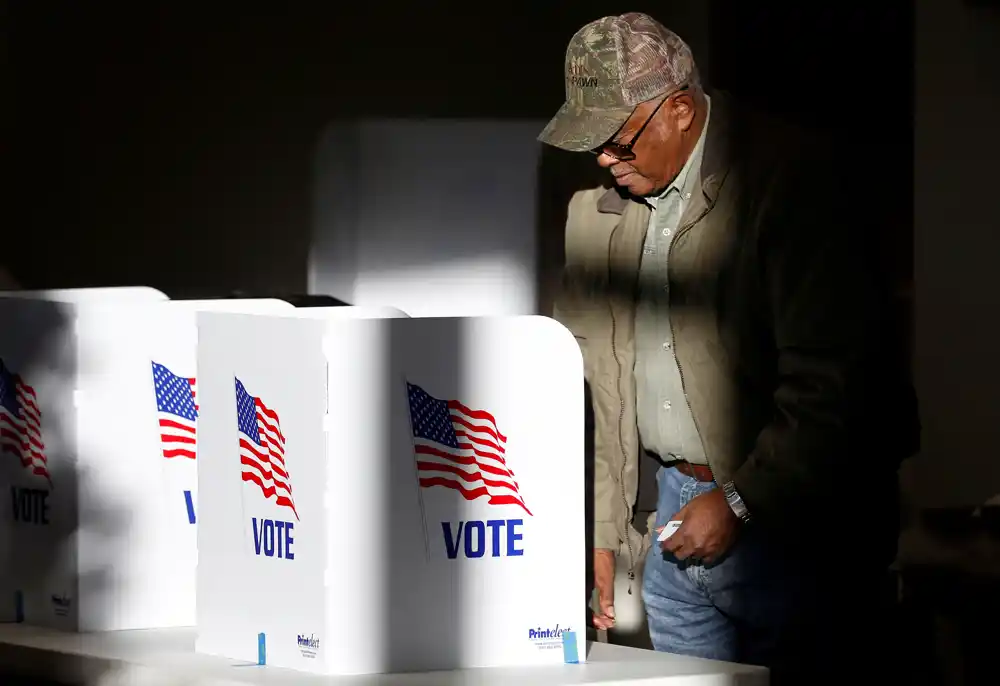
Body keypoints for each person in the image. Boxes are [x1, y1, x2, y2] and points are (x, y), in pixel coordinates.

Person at [538, 12, 919, 682]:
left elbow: (837, 378)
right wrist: (599, 528)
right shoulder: (592, 215)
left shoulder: (789, 182)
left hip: (799, 528)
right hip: (674, 515)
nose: (603, 160)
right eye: (591, 144)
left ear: (680, 110)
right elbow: (592, 387)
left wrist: (745, 500)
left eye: (616, 142)